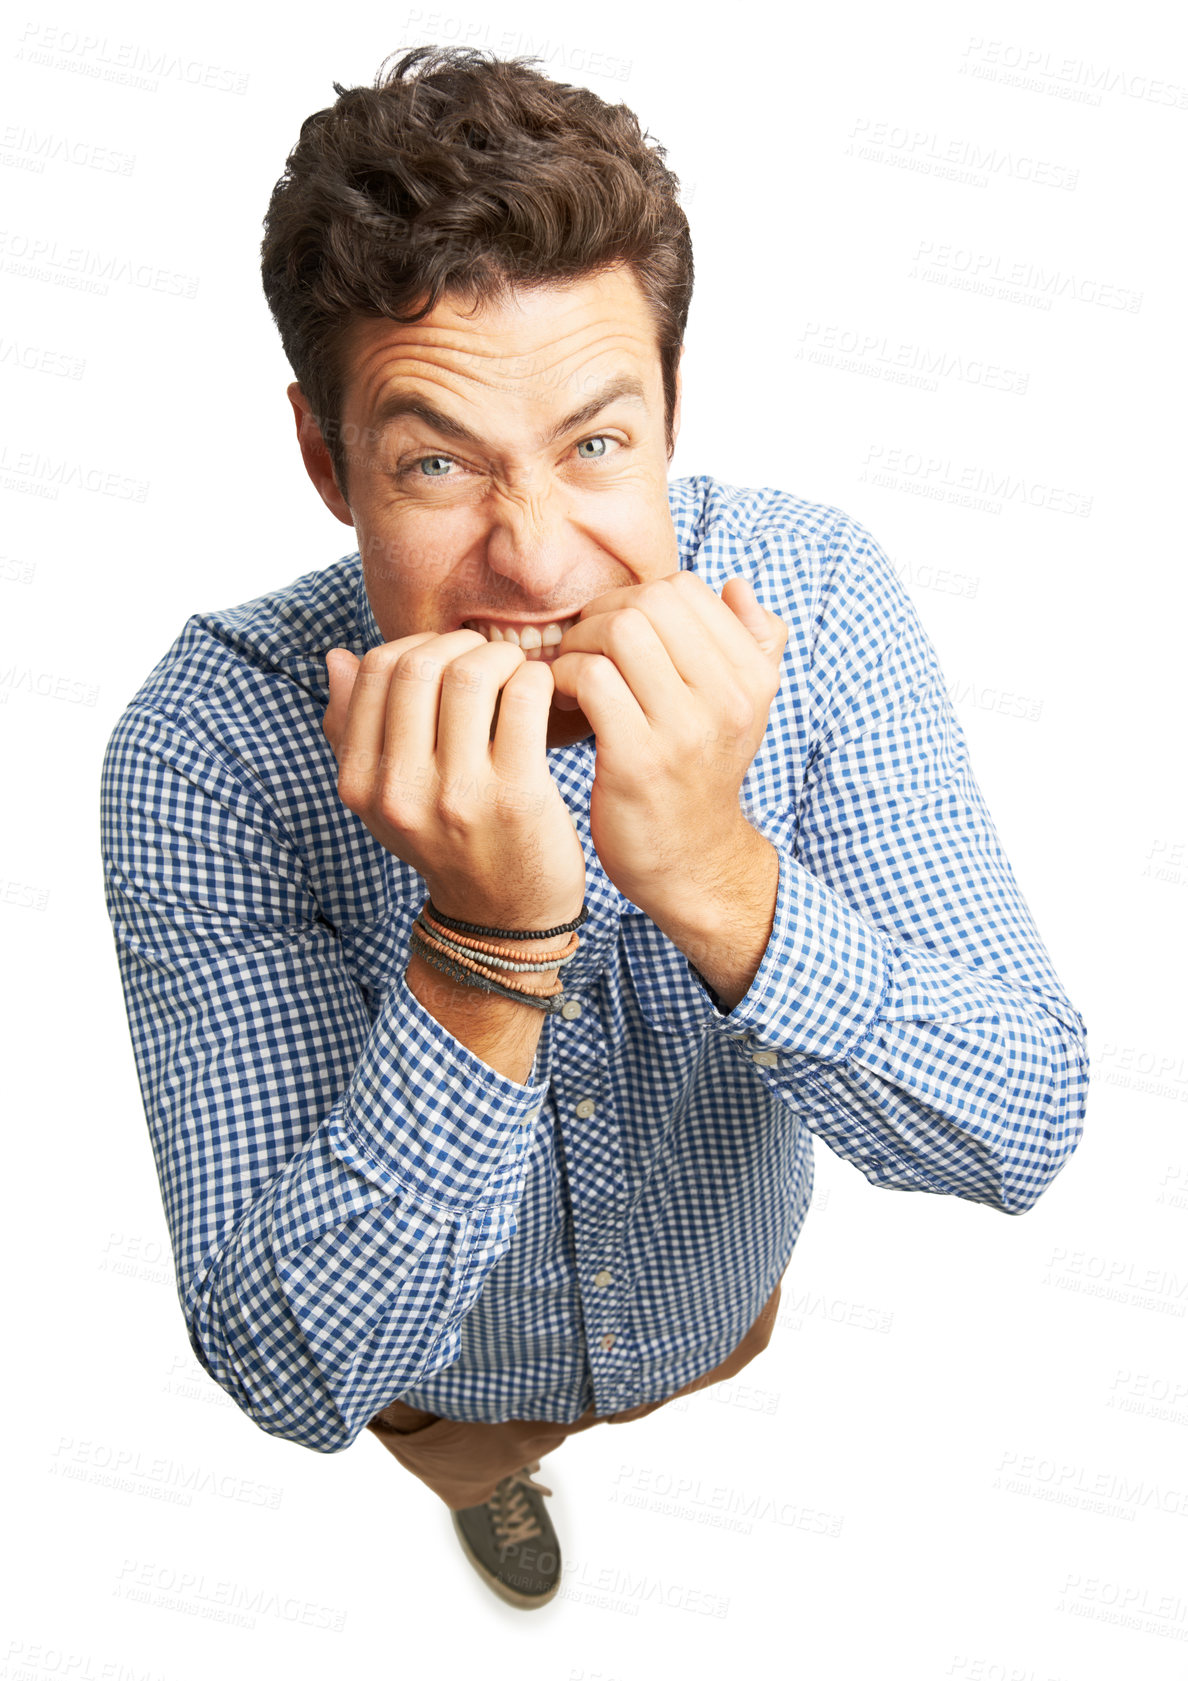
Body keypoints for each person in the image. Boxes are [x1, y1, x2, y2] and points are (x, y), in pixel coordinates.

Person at [99, 45, 1089, 1612]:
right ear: (325, 460)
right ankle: (500, 1496)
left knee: (713, 1390)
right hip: (452, 1379)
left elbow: (1025, 1124)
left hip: (724, 1309)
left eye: (598, 442)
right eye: (437, 461)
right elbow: (291, 1368)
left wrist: (714, 873)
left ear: (674, 408)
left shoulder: (814, 597)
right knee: (476, 1452)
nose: (539, 555)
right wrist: (484, 948)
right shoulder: (206, 746)